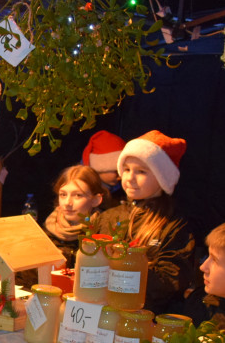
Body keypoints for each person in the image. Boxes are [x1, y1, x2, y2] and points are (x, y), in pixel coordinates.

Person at [96, 130, 196, 314]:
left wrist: (124, 268)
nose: (130, 178)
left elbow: (171, 278)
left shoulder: (173, 224)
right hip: (104, 311)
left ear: (162, 177)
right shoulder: (109, 216)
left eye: (141, 171)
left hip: (145, 317)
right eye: (126, 170)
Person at [43, 164, 105, 267]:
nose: (67, 203)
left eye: (78, 195)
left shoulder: (103, 234)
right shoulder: (45, 232)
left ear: (95, 200)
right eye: (63, 194)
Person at [81, 129, 126, 208]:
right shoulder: (82, 193)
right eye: (116, 171)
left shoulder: (123, 190)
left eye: (125, 170)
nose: (121, 176)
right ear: (99, 169)